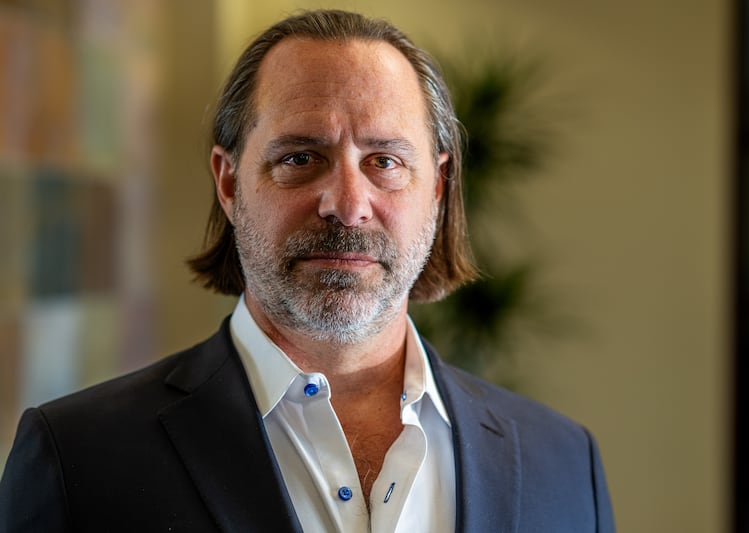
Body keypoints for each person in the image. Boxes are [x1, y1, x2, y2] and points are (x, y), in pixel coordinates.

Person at [0, 9, 614, 532]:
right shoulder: (76, 458)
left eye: (384, 160)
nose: (347, 204)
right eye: (300, 157)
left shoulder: (562, 463)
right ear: (230, 180)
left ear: (438, 186)